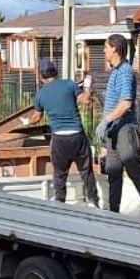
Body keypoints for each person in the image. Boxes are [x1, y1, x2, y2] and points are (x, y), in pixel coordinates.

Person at [97, 34, 140, 219]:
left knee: (132, 164)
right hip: (113, 130)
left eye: (106, 47)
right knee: (112, 170)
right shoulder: (115, 72)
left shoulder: (125, 72)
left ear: (115, 49)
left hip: (124, 127)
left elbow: (125, 104)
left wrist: (106, 120)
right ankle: (113, 213)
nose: (103, 50)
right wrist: (105, 134)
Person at [24, 58, 100, 209]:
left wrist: (26, 121)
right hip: (77, 135)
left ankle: (60, 200)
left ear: (41, 76)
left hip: (59, 138)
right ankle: (93, 201)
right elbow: (85, 100)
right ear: (56, 73)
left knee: (59, 173)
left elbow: (36, 118)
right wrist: (87, 86)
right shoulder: (69, 84)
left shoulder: (40, 95)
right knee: (86, 170)